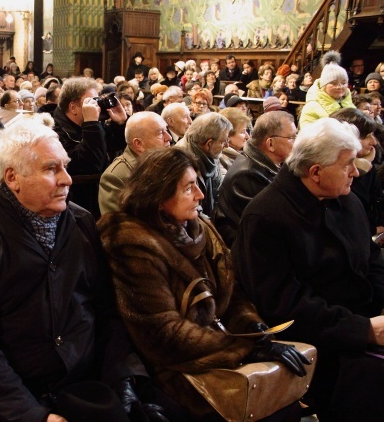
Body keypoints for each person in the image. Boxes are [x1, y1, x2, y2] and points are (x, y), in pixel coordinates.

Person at [0, 116, 169, 422]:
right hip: (6, 396)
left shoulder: (81, 221)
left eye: (65, 166)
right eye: (50, 169)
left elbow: (106, 312)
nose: (67, 179)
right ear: (12, 177)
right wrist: (33, 415)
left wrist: (122, 380)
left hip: (82, 382)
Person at [98, 146, 310, 421]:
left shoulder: (201, 229)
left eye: (197, 184)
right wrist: (245, 348)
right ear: (159, 197)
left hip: (216, 347)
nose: (200, 194)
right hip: (173, 366)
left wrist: (254, 331)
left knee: (282, 398)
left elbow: (233, 294)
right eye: (188, 188)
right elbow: (162, 333)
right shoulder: (131, 241)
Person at [234, 117, 384, 422]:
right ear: (315, 172)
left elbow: (373, 260)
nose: (356, 172)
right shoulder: (265, 217)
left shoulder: (347, 201)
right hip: (318, 345)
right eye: (347, 165)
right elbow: (282, 307)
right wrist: (363, 329)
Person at [213, 111, 297, 246]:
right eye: (291, 137)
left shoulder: (265, 165)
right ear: (270, 143)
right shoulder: (247, 175)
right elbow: (273, 224)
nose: (296, 142)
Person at [52, 77, 127, 214]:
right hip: (77, 205)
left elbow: (113, 145)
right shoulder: (54, 133)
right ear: (73, 108)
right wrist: (92, 123)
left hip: (98, 199)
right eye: (91, 102)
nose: (97, 106)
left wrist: (120, 124)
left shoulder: (90, 124)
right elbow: (91, 164)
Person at [98, 111, 170, 215]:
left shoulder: (168, 162)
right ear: (139, 144)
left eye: (166, 130)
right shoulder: (116, 177)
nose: (169, 138)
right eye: (160, 133)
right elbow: (117, 226)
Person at [330, 108, 383, 236]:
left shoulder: (367, 163)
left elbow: (377, 201)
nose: (374, 142)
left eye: (373, 135)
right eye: (366, 136)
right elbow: (341, 222)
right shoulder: (332, 172)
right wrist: (375, 230)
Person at [174, 112, 231, 216]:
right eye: (224, 141)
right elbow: (186, 207)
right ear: (209, 144)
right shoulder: (180, 162)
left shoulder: (210, 154)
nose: (227, 145)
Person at [300, 51, 355, 127]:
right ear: (324, 85)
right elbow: (307, 134)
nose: (339, 87)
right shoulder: (312, 107)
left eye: (343, 83)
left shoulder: (348, 101)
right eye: (334, 83)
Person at [218, 107, 251, 173]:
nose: (247, 136)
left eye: (246, 131)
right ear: (227, 135)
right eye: (242, 132)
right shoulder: (220, 159)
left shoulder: (246, 153)